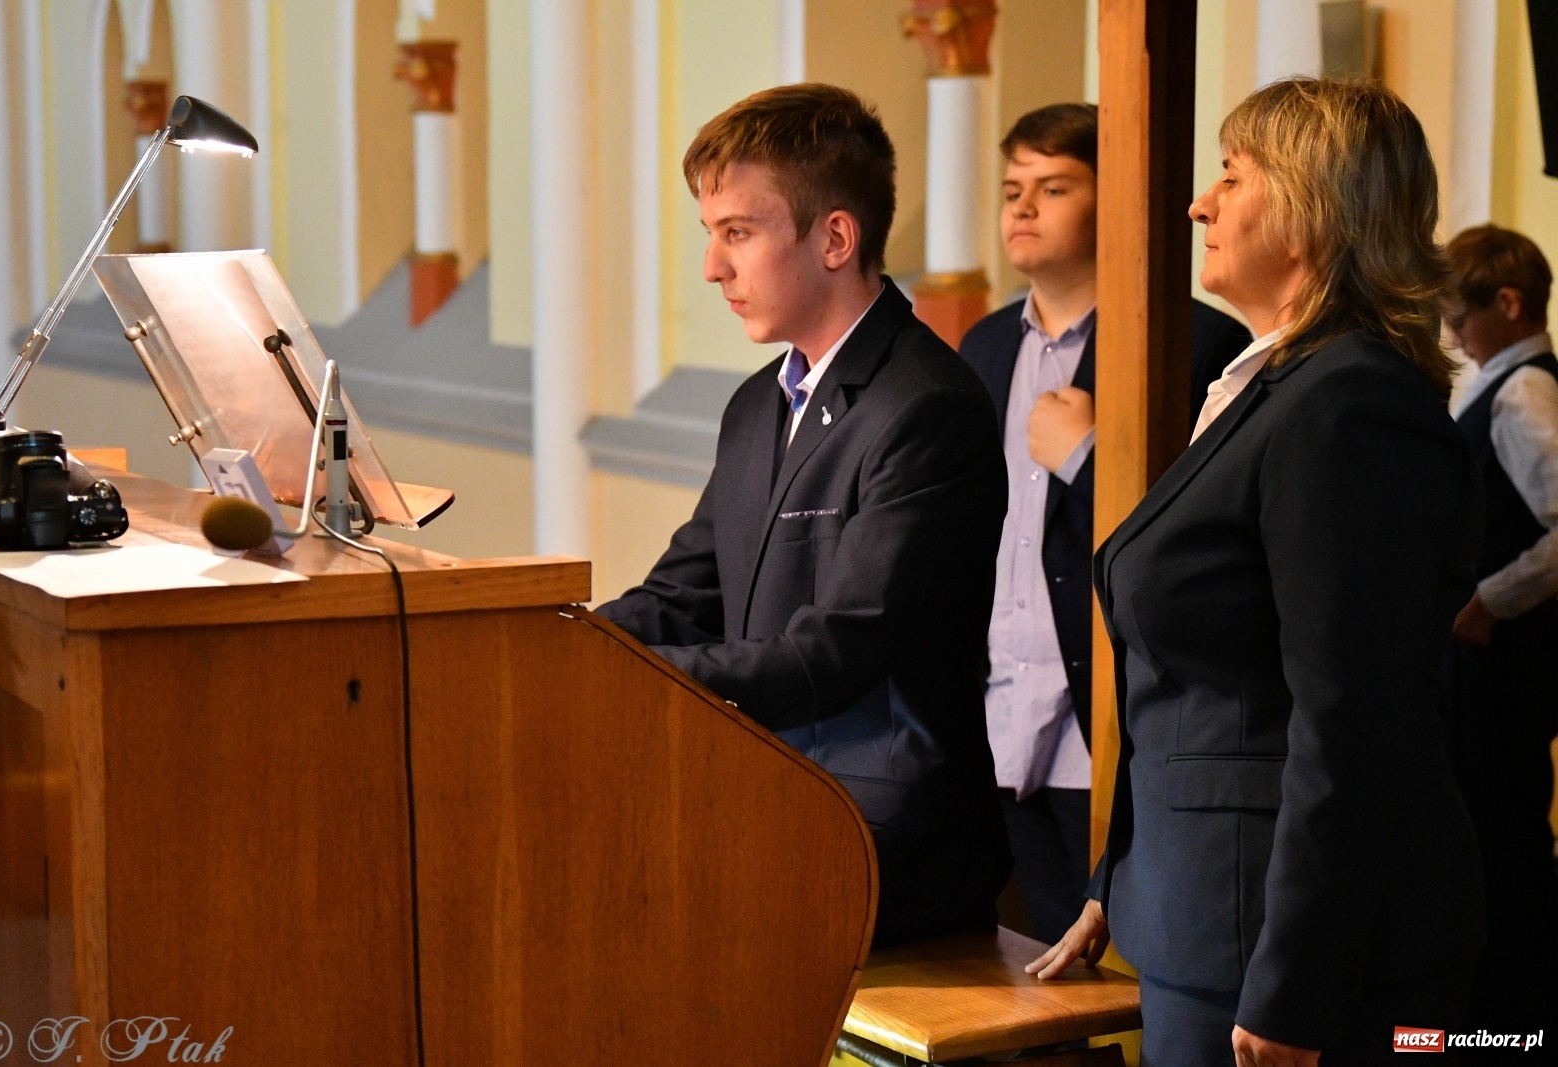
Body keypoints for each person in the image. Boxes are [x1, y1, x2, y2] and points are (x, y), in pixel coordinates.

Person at [1026, 78, 1484, 1065]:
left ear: (1315, 208)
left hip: (1279, 951)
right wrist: (1124, 873)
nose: (1199, 202)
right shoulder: (1269, 384)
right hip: (1202, 908)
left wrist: (1294, 986)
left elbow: (1350, 720)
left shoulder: (1348, 402)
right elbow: (1195, 688)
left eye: (1232, 176)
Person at [594, 83, 1012, 948]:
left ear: (834, 238)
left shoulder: (926, 407)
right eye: (710, 235)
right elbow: (682, 592)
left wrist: (631, 680)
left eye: (737, 233)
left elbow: (838, 650)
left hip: (880, 830)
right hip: (773, 797)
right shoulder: (757, 404)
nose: (713, 267)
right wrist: (564, 645)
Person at [957, 103, 1250, 945]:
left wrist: (1088, 455)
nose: (1022, 207)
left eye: (1053, 187)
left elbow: (1198, 539)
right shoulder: (981, 348)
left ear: (1115, 201)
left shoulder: (1191, 344)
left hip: (1110, 714)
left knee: (1127, 970)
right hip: (1001, 710)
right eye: (1014, 188)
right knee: (1028, 975)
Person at [1442, 223, 1558, 1032]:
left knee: (1501, 843)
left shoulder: (1524, 392)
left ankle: (1509, 1029)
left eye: (1459, 316)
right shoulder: (1495, 385)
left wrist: (1490, 597)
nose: (1451, 335)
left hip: (1502, 667)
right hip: (1482, 671)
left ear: (1507, 303)